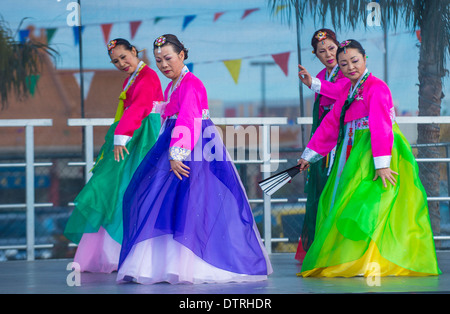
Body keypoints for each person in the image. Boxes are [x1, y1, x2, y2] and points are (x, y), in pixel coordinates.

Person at [116, 34, 273, 284]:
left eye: (168, 58)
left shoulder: (190, 83)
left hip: (192, 147)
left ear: (182, 55)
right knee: (171, 202)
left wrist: (178, 154)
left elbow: (189, 118)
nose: (163, 65)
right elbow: (173, 113)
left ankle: (193, 265)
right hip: (178, 143)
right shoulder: (174, 84)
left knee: (189, 203)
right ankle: (168, 263)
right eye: (158, 61)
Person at [296, 39, 441, 277]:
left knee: (372, 205)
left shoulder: (376, 87)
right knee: (350, 202)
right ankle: (355, 257)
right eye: (344, 64)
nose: (350, 67)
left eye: (354, 61)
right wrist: (309, 156)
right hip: (353, 149)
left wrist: (382, 164)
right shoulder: (346, 89)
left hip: (377, 150)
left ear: (365, 59)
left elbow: (381, 125)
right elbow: (331, 123)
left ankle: (373, 259)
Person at [64, 38, 164, 273]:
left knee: (122, 189)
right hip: (133, 134)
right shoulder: (134, 77)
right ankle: (113, 253)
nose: (120, 63)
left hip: (140, 137)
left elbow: (140, 108)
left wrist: (122, 136)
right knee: (116, 189)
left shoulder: (147, 76)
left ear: (134, 51)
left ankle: (122, 252)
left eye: (124, 57)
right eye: (115, 61)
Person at [295, 29, 350, 260]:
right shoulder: (321, 74)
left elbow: (341, 93)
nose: (328, 54)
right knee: (322, 192)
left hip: (342, 142)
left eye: (331, 48)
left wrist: (314, 84)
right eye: (321, 51)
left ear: (339, 48)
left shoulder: (346, 73)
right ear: (315, 55)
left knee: (338, 192)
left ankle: (339, 249)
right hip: (324, 142)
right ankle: (321, 247)